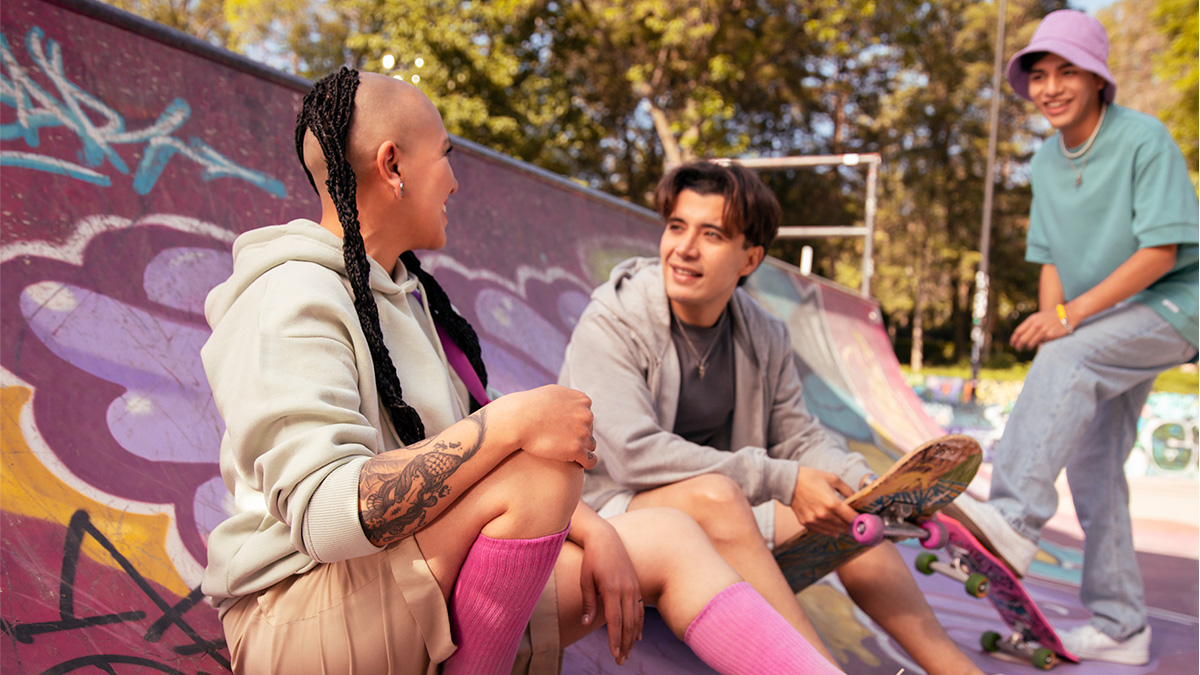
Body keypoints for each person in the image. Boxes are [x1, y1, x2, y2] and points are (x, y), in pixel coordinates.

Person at [201, 67, 843, 675]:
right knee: (537, 461)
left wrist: (592, 528)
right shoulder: (287, 297)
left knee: (669, 535)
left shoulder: (404, 296)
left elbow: (459, 467)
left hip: (399, 586)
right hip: (301, 623)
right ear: (393, 165)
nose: (454, 181)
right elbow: (328, 515)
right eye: (446, 155)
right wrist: (510, 425)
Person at [560, 159, 983, 675]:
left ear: (749, 258)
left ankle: (957, 671)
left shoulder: (764, 333)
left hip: (720, 515)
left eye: (711, 234)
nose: (684, 249)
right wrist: (782, 478)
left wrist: (864, 482)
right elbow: (631, 453)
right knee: (716, 497)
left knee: (849, 520)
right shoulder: (613, 319)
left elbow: (798, 435)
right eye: (676, 227)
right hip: (604, 516)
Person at [943, 9, 1199, 667]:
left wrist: (1068, 321)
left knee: (1073, 349)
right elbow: (1051, 256)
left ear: (1098, 80)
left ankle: (1015, 519)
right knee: (1093, 466)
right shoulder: (1048, 162)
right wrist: (1054, 317)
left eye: (1067, 73)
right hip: (1105, 320)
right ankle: (1122, 625)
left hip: (1174, 304)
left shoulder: (1143, 140)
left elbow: (1163, 251)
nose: (1051, 87)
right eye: (1040, 75)